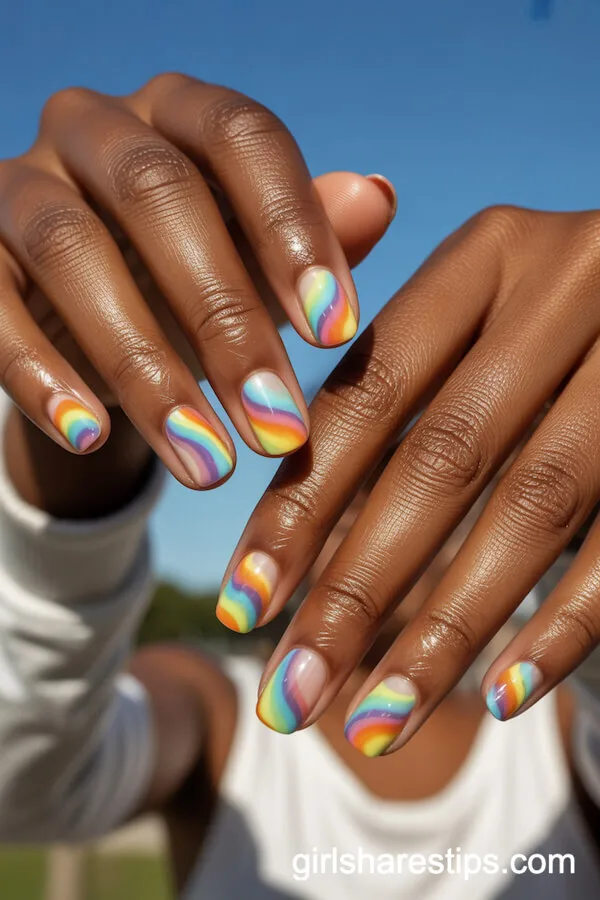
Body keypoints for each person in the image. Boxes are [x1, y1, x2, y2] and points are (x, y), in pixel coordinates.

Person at [0, 74, 599, 899]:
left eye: (415, 473)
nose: (372, 513)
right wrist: (90, 418)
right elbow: (27, 785)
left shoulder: (554, 733)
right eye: (334, 477)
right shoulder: (218, 720)